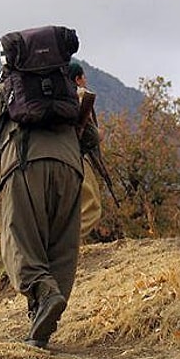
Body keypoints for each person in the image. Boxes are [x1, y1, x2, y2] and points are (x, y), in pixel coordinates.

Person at [0, 37, 83, 349]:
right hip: (71, 168)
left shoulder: (6, 89)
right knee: (61, 246)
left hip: (24, 163)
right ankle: (41, 324)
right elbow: (90, 134)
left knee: (18, 241)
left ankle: (44, 294)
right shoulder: (68, 86)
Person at [69, 62, 103, 239]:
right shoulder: (80, 96)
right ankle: (66, 245)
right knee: (92, 206)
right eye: (83, 77)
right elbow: (91, 136)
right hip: (74, 156)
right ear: (77, 79)